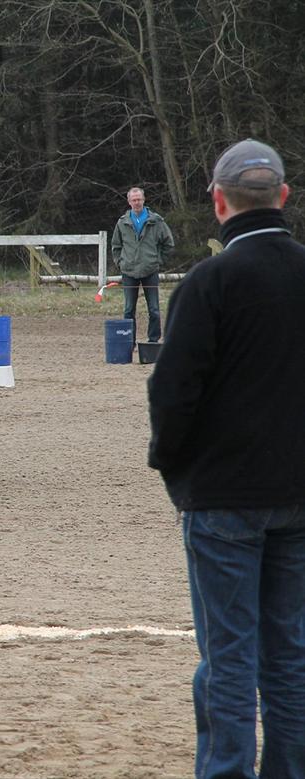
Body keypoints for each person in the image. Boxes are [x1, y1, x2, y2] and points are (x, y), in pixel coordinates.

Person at [147, 139, 305, 779]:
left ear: (219, 202)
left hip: (221, 498)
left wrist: (173, 466)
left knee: (230, 656)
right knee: (290, 649)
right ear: (284, 198)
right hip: (298, 493)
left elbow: (173, 389)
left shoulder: (210, 282)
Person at [111, 186, 175, 343]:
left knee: (154, 309)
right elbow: (116, 246)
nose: (137, 202)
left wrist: (158, 260)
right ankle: (128, 341)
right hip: (129, 271)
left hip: (150, 270)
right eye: (134, 200)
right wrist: (120, 263)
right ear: (129, 202)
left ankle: (153, 340)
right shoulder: (122, 222)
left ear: (144, 200)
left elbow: (168, 243)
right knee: (128, 310)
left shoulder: (156, 221)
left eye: (139, 199)